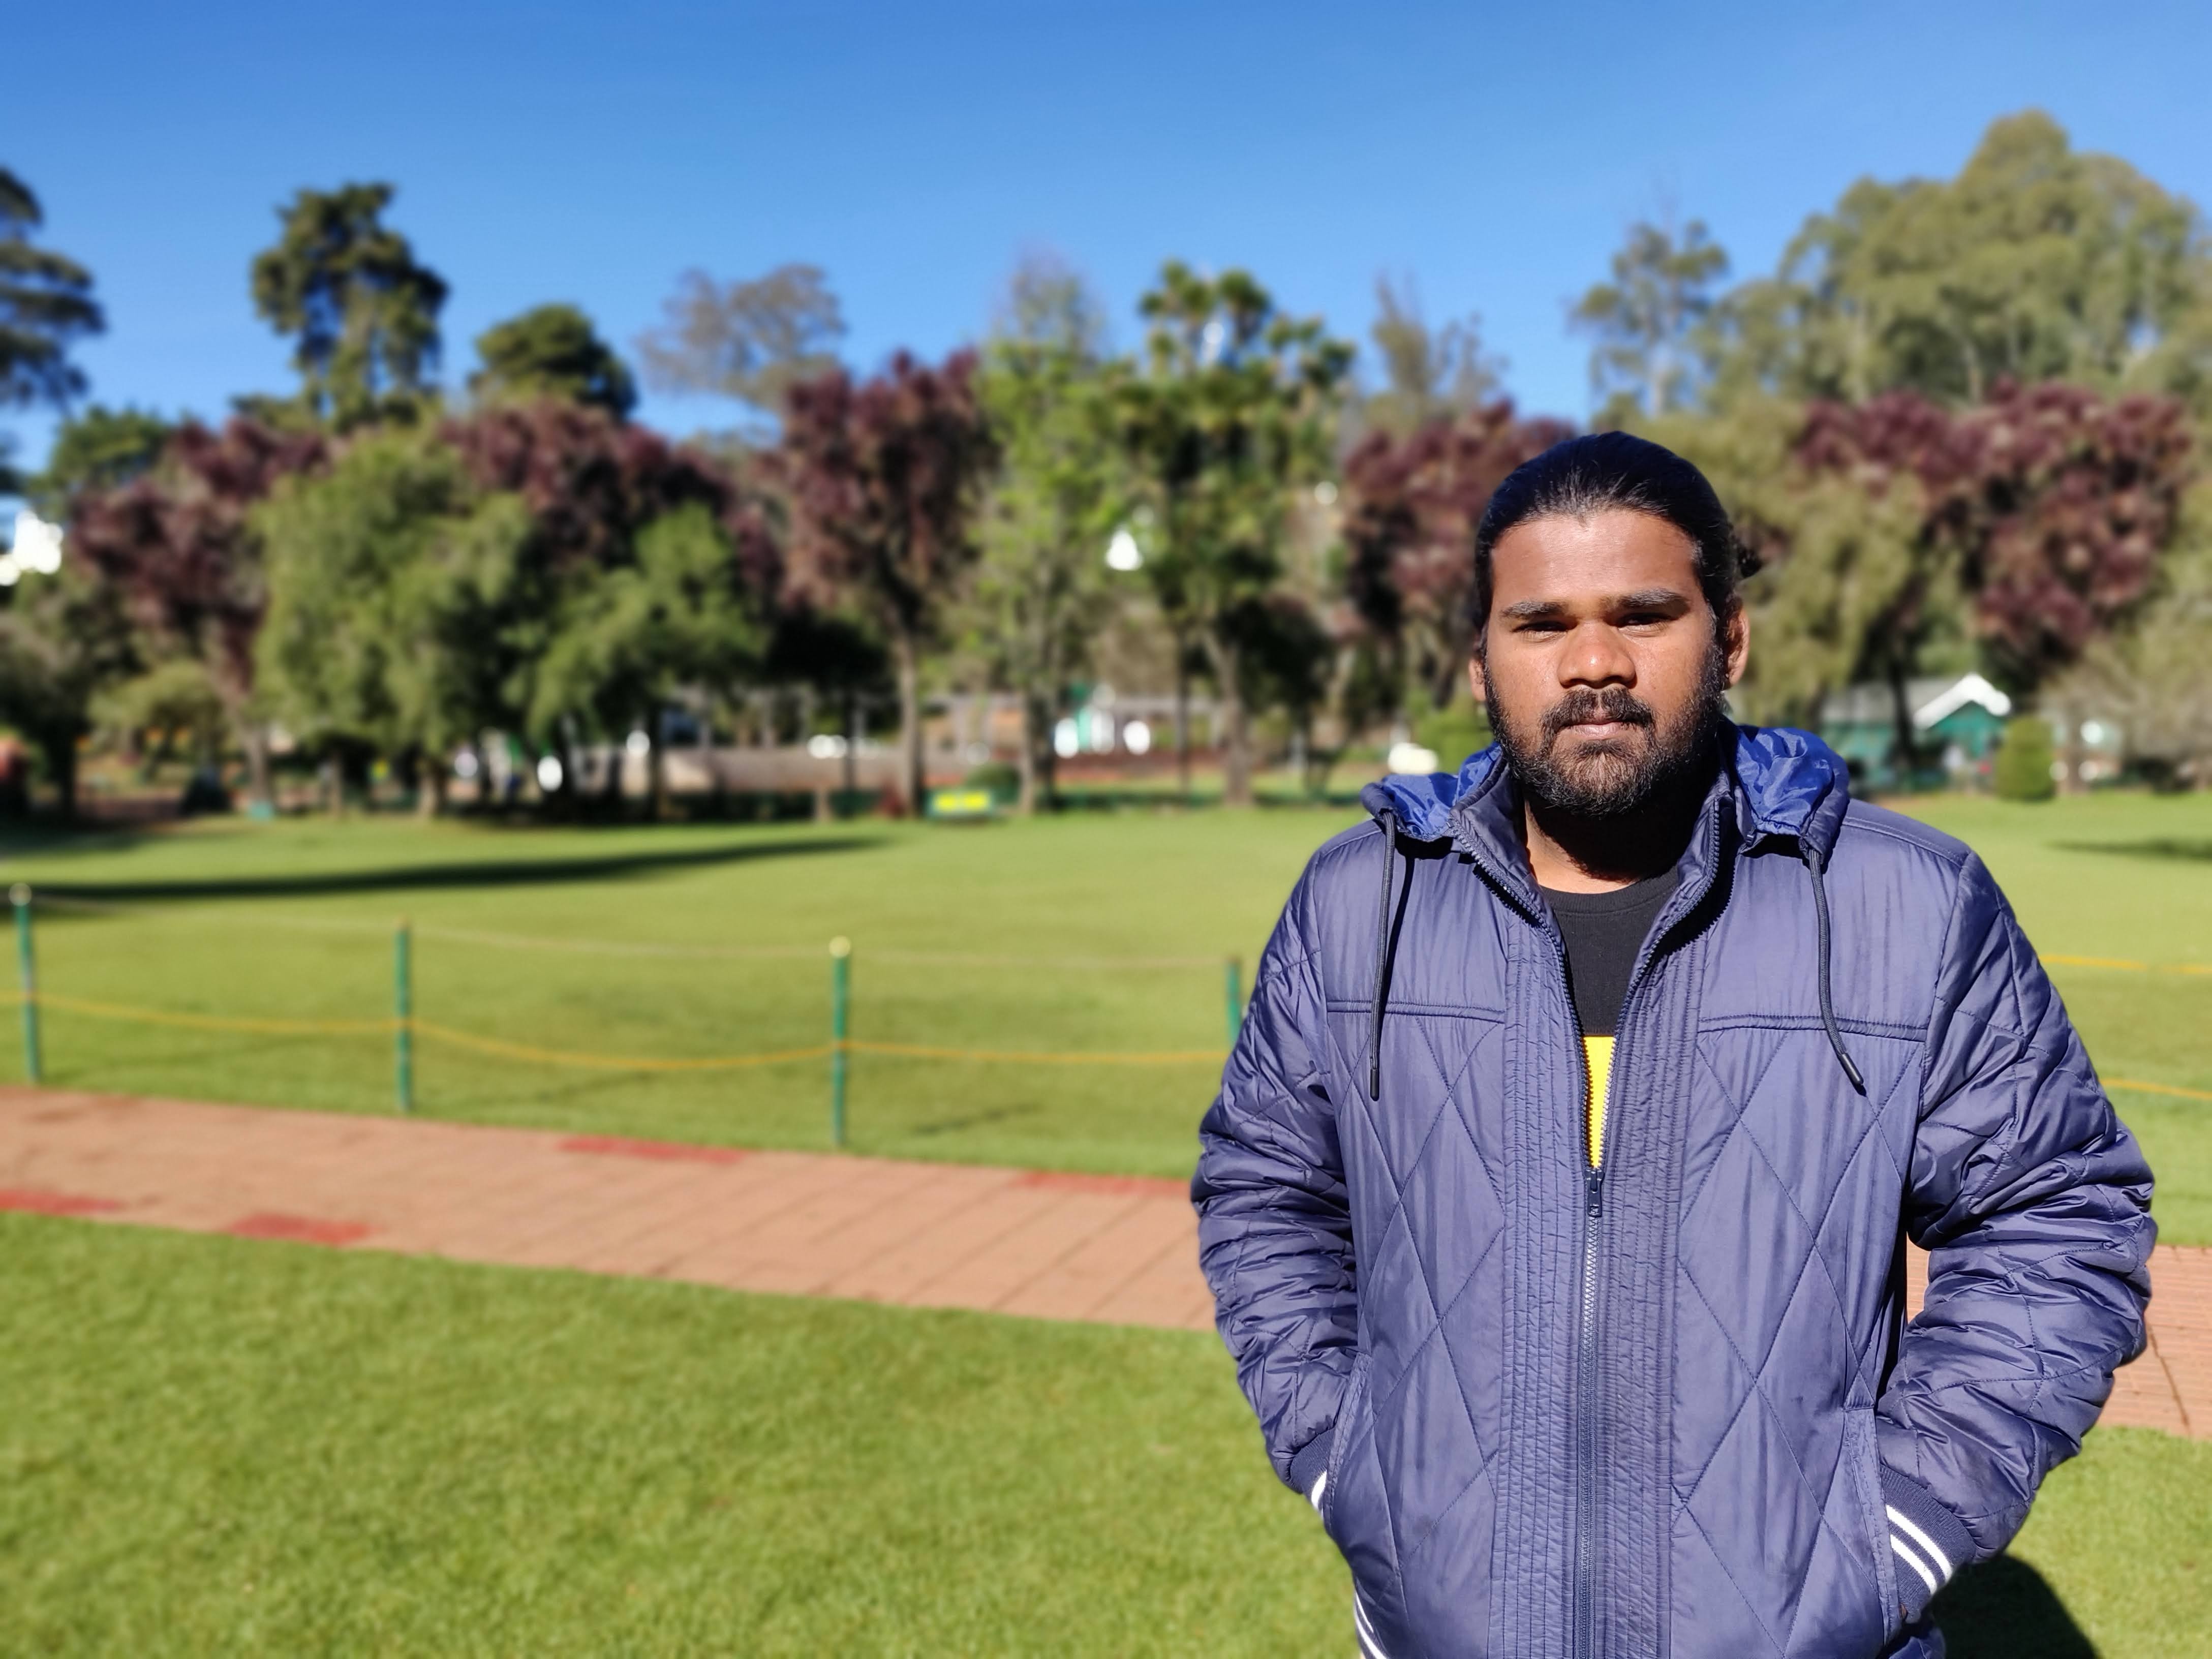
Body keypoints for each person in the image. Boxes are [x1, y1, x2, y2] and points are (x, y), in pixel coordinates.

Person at [1193, 432, 2153, 1659]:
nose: (1594, 662)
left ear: (1730, 637)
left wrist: (1897, 1529)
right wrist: (1347, 1459)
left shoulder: (1906, 903)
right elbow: (1265, 1188)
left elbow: (2057, 1216)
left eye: (1643, 615)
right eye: (1541, 624)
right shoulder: (1355, 903)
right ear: (1480, 660)